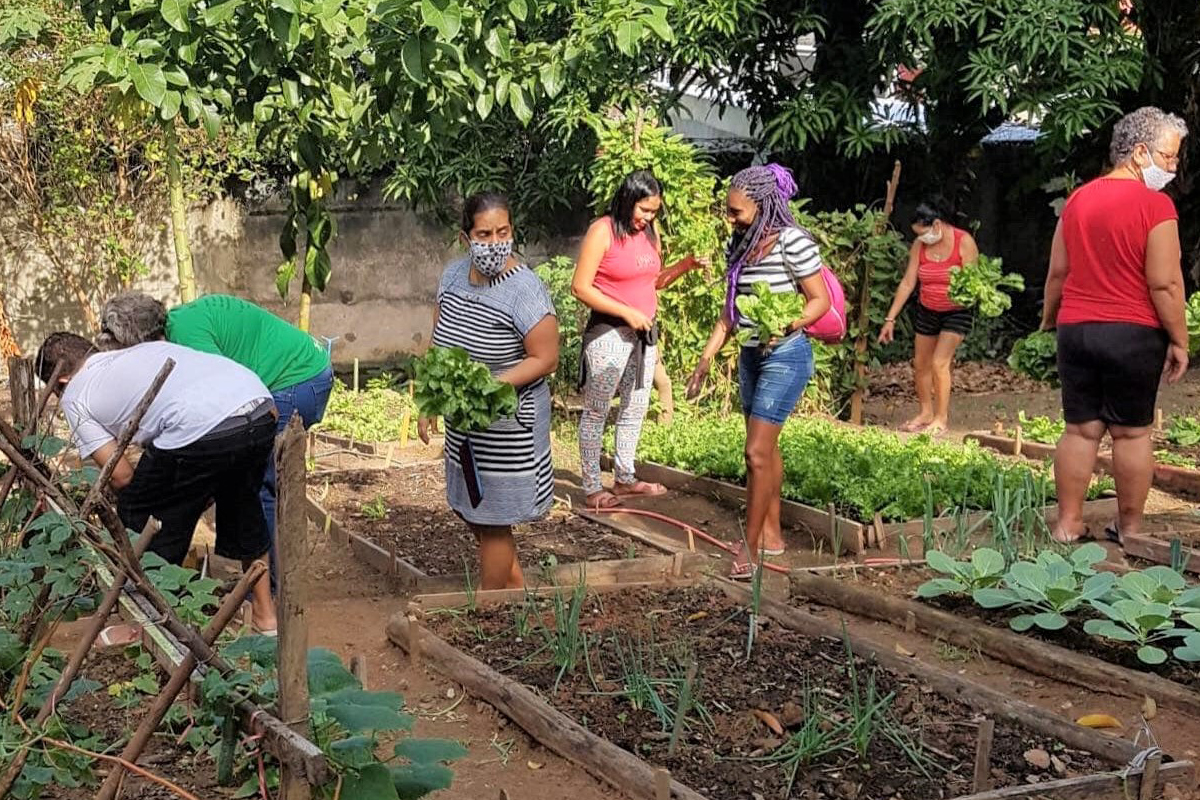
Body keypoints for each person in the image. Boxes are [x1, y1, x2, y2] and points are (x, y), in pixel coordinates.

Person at [36, 333, 279, 633]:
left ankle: (150, 625)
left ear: (59, 382)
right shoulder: (141, 351)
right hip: (260, 406)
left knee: (140, 515)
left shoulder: (75, 393)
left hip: (197, 427)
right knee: (244, 506)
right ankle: (266, 617)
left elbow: (121, 475)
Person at [96, 293, 334, 589]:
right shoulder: (176, 326)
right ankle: (264, 585)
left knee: (256, 485)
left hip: (296, 381)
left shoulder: (186, 338)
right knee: (242, 479)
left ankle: (272, 591)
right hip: (293, 375)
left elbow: (227, 395)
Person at [1041, 106, 1189, 544]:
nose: (1173, 168)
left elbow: (1057, 274)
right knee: (1131, 432)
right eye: (1169, 157)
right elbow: (1164, 283)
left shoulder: (1079, 200)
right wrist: (1179, 339)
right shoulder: (1156, 205)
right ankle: (1130, 528)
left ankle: (1067, 523)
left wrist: (1051, 320)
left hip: (1078, 330)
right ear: (1140, 153)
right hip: (1133, 333)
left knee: (1080, 429)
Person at [686, 164, 830, 578]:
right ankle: (771, 536)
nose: (729, 219)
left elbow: (819, 300)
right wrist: (706, 357)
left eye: (736, 212)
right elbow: (729, 314)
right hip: (751, 356)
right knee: (765, 451)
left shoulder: (793, 243)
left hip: (785, 355)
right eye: (727, 211)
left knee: (756, 452)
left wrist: (789, 323)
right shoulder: (744, 244)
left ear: (763, 206)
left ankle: (749, 550)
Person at [417, 192, 559, 590]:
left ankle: (488, 609)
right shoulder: (452, 277)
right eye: (484, 234)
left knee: (492, 519)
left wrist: (489, 385)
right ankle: (517, 598)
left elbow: (546, 358)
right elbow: (438, 341)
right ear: (466, 238)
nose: (495, 242)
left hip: (509, 428)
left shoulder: (525, 290)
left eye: (503, 232)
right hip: (467, 424)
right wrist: (429, 402)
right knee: (472, 510)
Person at [572, 169, 706, 508]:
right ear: (627, 200)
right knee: (598, 410)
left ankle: (624, 478)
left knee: (636, 406)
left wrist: (685, 266)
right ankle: (591, 487)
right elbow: (580, 287)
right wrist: (625, 312)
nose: (647, 218)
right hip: (609, 333)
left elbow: (653, 281)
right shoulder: (602, 231)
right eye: (642, 210)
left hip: (644, 334)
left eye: (653, 212)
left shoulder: (650, 233)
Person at [878, 202, 980, 434]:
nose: (922, 239)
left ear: (937, 224)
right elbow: (908, 282)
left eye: (924, 233)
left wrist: (964, 294)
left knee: (939, 363)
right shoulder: (919, 245)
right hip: (927, 310)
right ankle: (925, 412)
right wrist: (890, 318)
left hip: (957, 312)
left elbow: (974, 282)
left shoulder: (964, 242)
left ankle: (940, 419)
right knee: (921, 364)